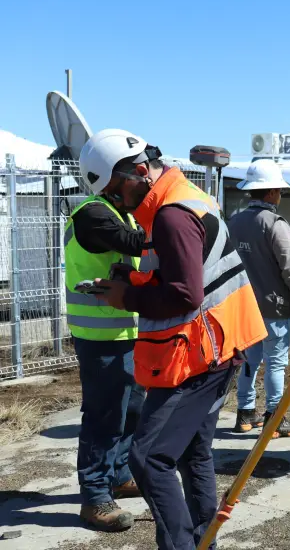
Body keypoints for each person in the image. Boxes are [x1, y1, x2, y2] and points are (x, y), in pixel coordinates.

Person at [88, 128, 267, 550]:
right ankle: (206, 540)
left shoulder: (170, 214)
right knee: (192, 452)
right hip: (219, 345)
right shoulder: (182, 197)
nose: (116, 201)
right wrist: (130, 279)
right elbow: (185, 271)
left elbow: (186, 293)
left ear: (138, 171)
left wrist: (126, 297)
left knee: (148, 457)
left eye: (116, 190)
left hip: (199, 354)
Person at [66, 137, 149, 532]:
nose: (145, 175)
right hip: (99, 339)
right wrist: (177, 219)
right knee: (103, 416)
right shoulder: (93, 215)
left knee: (131, 409)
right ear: (111, 176)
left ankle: (118, 474)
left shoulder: (124, 213)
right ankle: (95, 496)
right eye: (136, 169)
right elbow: (133, 244)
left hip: (125, 334)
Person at [227, 160, 290, 438]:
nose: (279, 195)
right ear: (269, 193)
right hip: (273, 306)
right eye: (278, 190)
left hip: (243, 306)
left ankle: (245, 413)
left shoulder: (234, 222)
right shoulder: (275, 224)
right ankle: (274, 417)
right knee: (276, 361)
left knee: (250, 359)